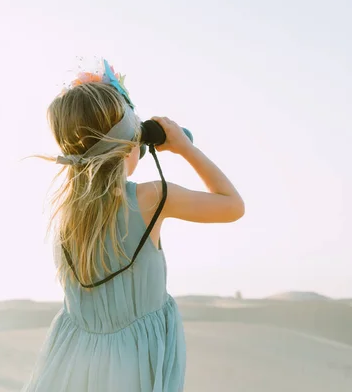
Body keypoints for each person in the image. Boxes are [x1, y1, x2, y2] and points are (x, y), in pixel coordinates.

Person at [21, 61, 244, 392]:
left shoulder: (64, 213)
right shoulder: (151, 198)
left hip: (73, 362)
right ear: (131, 143)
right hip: (134, 365)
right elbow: (232, 206)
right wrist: (185, 147)